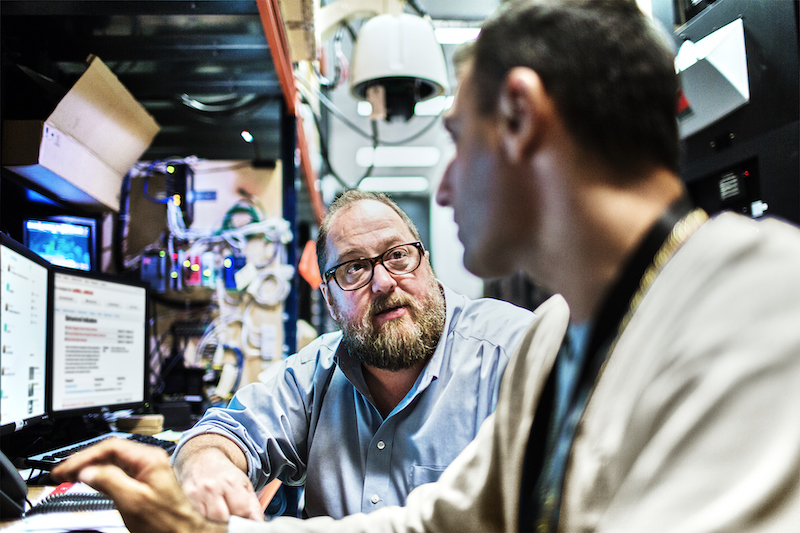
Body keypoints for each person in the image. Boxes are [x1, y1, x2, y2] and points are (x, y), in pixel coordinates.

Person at [53, 0, 800, 531]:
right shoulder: (558, 342)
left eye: (456, 139)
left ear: (520, 115)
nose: (443, 188)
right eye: (353, 269)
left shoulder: (761, 307)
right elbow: (430, 525)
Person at [166, 189, 537, 521]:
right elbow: (223, 432)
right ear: (329, 298)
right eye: (354, 267)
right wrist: (205, 465)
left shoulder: (514, 353)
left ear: (425, 262)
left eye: (398, 256)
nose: (383, 282)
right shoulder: (315, 375)